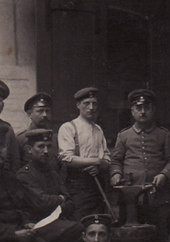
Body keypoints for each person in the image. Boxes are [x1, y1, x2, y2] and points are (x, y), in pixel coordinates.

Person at [109, 89, 170, 242]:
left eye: (146, 108)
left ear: (153, 110)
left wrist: (164, 175)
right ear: (132, 111)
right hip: (131, 198)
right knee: (132, 240)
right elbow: (116, 161)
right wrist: (115, 174)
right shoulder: (124, 136)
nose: (142, 112)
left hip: (158, 197)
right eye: (138, 108)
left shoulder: (163, 135)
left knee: (161, 240)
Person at [57, 86, 112, 220]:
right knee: (80, 221)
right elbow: (66, 158)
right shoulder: (68, 127)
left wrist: (99, 166)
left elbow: (107, 158)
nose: (91, 107)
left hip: (97, 184)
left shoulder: (98, 129)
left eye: (94, 103)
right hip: (77, 185)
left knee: (98, 220)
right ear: (78, 105)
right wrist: (96, 161)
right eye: (86, 103)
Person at [17, 128, 74, 219]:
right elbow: (41, 202)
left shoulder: (53, 173)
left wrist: (60, 203)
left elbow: (69, 201)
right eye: (41, 146)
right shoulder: (24, 175)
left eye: (49, 146)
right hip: (37, 222)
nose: (46, 151)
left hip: (57, 219)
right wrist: (60, 199)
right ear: (29, 149)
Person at [16, 92, 57, 168]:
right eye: (40, 111)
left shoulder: (55, 138)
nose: (44, 115)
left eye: (47, 111)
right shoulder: (20, 138)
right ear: (29, 114)